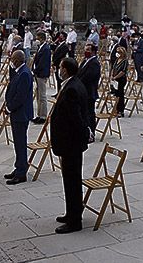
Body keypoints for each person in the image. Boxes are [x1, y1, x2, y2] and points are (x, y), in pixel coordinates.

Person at [52, 57, 91, 233]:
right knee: (70, 180)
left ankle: (75, 221)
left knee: (72, 181)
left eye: (60, 67)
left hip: (71, 143)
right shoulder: (74, 83)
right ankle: (71, 212)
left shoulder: (72, 90)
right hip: (72, 142)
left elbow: (76, 118)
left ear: (66, 70)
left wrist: (85, 133)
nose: (58, 69)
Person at [4, 49, 33, 184]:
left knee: (20, 143)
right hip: (17, 113)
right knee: (17, 143)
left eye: (12, 59)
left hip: (20, 114)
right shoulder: (20, 72)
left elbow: (20, 96)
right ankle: (18, 167)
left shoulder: (24, 74)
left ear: (17, 60)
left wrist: (9, 108)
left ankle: (21, 172)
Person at [78, 43, 102, 135]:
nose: (86, 52)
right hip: (83, 91)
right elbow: (79, 72)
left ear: (93, 52)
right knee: (84, 113)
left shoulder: (95, 63)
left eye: (88, 50)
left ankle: (91, 132)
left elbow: (88, 77)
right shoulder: (85, 61)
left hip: (89, 92)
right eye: (85, 49)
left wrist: (79, 82)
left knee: (89, 114)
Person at [32, 32, 52, 124]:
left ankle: (43, 116)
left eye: (37, 38)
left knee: (42, 96)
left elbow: (43, 63)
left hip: (42, 74)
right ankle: (39, 114)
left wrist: (35, 71)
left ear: (41, 38)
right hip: (38, 74)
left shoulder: (46, 49)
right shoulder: (41, 47)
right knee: (38, 95)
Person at [111, 46, 129, 116]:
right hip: (115, 79)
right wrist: (112, 75)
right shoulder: (117, 59)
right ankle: (116, 109)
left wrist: (116, 77)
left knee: (120, 95)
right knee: (116, 94)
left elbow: (123, 71)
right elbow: (114, 67)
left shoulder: (125, 61)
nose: (117, 53)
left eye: (119, 52)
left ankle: (121, 110)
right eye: (117, 52)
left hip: (121, 79)